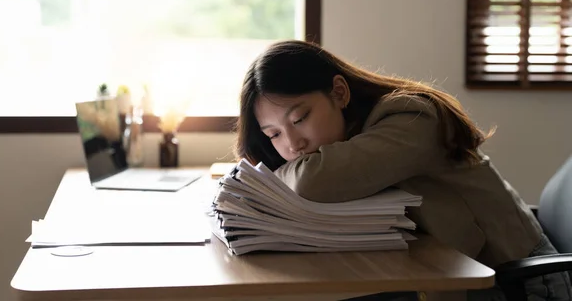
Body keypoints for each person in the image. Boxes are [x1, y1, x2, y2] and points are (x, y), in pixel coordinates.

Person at [234, 40, 572, 301]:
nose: (293, 145)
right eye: (273, 135)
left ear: (339, 92)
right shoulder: (350, 142)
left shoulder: (410, 118)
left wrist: (270, 182)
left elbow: (312, 180)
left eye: (299, 119)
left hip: (524, 285)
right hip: (458, 274)